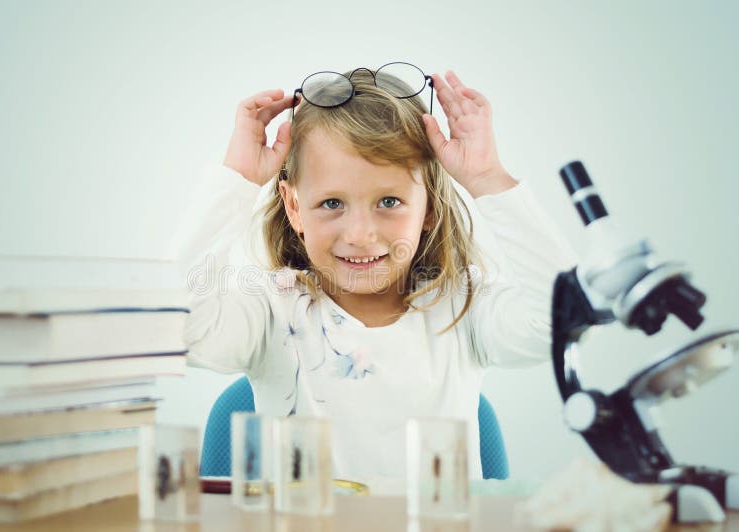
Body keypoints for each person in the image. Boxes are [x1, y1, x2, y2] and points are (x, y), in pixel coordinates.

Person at [184, 64, 577, 490]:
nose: (360, 235)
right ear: (294, 207)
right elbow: (173, 327)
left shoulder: (463, 305)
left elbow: (562, 319)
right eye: (332, 203)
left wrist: (488, 179)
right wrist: (236, 182)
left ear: (428, 206)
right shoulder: (270, 309)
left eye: (389, 200)